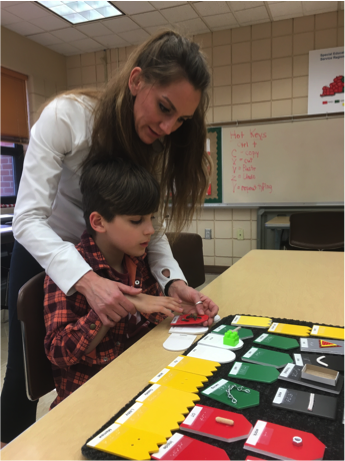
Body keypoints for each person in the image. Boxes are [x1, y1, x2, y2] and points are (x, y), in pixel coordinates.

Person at [0, 29, 219, 446]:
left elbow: (146, 225)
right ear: (137, 81)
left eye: (181, 121)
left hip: (103, 250)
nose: (168, 127)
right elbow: (27, 219)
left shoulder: (149, 142)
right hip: (47, 249)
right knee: (23, 375)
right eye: (164, 108)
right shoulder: (68, 117)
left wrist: (173, 281)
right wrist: (88, 281)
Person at [44, 158, 183, 408]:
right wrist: (119, 303)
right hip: (91, 402)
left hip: (139, 384)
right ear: (98, 222)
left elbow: (154, 317)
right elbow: (59, 352)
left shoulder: (137, 260)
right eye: (136, 220)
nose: (150, 230)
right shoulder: (69, 270)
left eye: (151, 218)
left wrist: (184, 311)